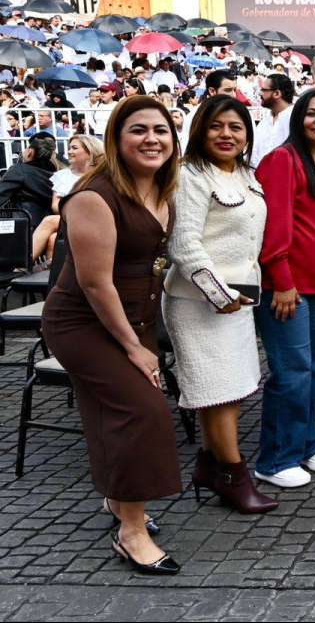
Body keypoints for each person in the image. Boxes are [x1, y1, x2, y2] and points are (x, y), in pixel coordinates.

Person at [42, 96, 183, 575]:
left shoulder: (163, 189)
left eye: (160, 130)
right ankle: (132, 531)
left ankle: (118, 502)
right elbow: (95, 282)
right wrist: (133, 348)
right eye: (138, 130)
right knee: (143, 412)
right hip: (83, 323)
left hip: (132, 319)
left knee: (110, 412)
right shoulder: (93, 196)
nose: (151, 139)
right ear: (117, 140)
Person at [164, 96, 277, 514]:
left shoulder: (248, 175)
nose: (227, 134)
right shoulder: (190, 174)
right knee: (217, 393)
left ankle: (211, 468)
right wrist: (219, 293)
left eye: (236, 127)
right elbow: (184, 244)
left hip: (240, 299)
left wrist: (238, 297)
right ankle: (233, 476)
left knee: (232, 389)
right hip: (199, 303)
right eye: (217, 126)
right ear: (200, 130)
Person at [253, 90, 315, 489]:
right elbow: (273, 227)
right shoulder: (282, 161)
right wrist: (282, 281)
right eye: (313, 114)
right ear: (298, 118)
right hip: (287, 287)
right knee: (291, 373)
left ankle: (307, 440)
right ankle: (275, 458)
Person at [32, 134, 102, 262]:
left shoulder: (103, 175)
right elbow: (55, 205)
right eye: (69, 148)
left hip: (98, 220)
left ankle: (22, 265)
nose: (69, 152)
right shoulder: (62, 176)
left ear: (89, 151)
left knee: (49, 221)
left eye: (74, 148)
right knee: (53, 238)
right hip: (68, 219)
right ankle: (50, 277)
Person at [0, 133, 60, 229]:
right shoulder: (58, 174)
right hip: (51, 225)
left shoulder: (20, 170)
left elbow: (1, 193)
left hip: (25, 225)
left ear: (30, 152)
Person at [251, 73, 294, 168]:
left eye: (263, 90)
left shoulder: (295, 119)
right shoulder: (266, 118)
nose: (260, 93)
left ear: (277, 93)